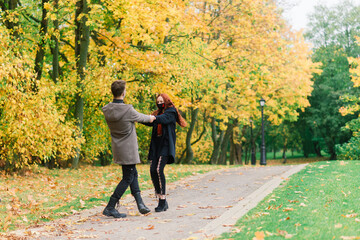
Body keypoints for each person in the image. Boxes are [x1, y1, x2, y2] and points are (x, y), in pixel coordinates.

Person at [102, 80, 156, 218]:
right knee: (128, 177)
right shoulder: (128, 110)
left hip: (118, 148)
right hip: (129, 149)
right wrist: (153, 117)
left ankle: (141, 204)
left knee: (133, 174)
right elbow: (145, 118)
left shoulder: (107, 109)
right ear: (123, 92)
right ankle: (110, 206)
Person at [143, 93, 187, 212]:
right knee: (152, 170)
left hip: (166, 145)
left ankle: (162, 200)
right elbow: (148, 121)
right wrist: (138, 118)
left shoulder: (171, 112)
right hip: (156, 146)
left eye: (162, 101)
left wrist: (154, 118)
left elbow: (164, 119)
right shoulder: (156, 113)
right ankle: (161, 199)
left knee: (158, 169)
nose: (160, 103)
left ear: (167, 101)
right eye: (158, 101)